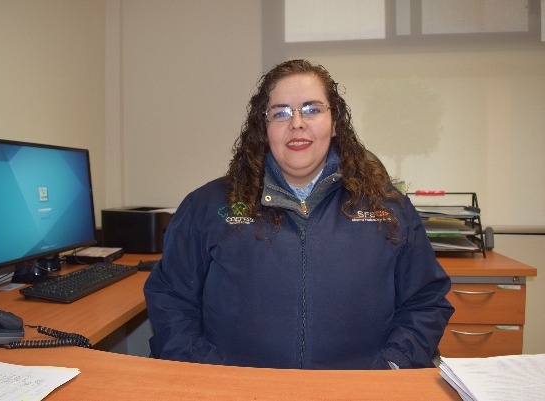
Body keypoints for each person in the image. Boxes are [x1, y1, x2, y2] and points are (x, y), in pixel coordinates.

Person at [144, 59, 454, 370]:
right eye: (280, 113)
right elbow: (170, 299)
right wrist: (205, 369)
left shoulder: (388, 208)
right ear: (263, 128)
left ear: (335, 122)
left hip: (361, 388)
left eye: (311, 109)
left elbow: (425, 301)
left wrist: (395, 362)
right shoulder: (206, 206)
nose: (296, 123)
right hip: (235, 388)